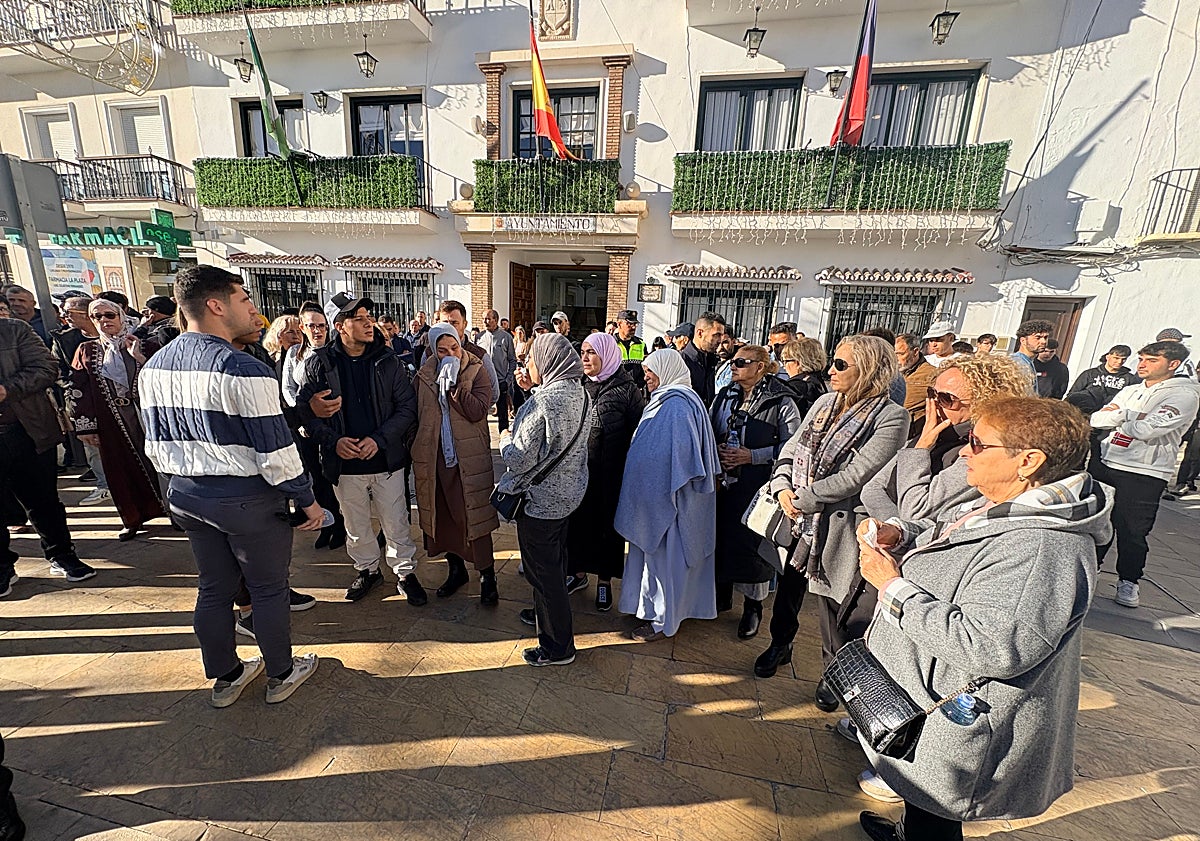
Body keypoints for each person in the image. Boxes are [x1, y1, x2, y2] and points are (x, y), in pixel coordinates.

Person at [854, 397, 1109, 841]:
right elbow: (955, 534)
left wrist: (892, 587)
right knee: (926, 807)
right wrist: (903, 533)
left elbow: (992, 646)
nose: (965, 452)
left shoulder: (1041, 548)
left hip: (960, 717)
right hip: (932, 704)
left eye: (977, 442)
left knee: (937, 819)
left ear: (1028, 461)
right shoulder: (1014, 503)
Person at [139, 265, 321, 707]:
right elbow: (276, 450)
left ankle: (227, 676)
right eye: (245, 300)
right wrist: (307, 501)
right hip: (245, 499)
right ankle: (280, 673)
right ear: (216, 305)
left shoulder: (153, 366)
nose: (255, 310)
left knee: (214, 588)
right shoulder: (243, 367)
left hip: (186, 493)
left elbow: (153, 441)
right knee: (268, 588)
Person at [756, 335, 910, 710]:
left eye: (841, 365)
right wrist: (781, 488)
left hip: (837, 526)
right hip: (798, 520)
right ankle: (781, 644)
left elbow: (859, 473)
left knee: (834, 608)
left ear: (869, 370)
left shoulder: (892, 416)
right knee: (789, 587)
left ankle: (834, 673)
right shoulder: (825, 402)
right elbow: (792, 448)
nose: (830, 370)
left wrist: (805, 498)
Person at [297, 297, 422, 605]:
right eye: (359, 318)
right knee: (355, 524)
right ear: (340, 326)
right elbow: (306, 412)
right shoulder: (319, 363)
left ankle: (404, 573)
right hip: (344, 463)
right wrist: (334, 441)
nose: (369, 323)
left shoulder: (387, 360)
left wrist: (379, 439)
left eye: (368, 317)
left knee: (396, 521)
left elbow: (407, 408)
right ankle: (367, 570)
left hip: (386, 460)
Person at [498, 333, 591, 665]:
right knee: (554, 564)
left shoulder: (543, 402)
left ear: (548, 362)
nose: (528, 366)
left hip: (540, 502)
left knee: (543, 572)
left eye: (531, 360)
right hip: (568, 495)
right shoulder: (580, 393)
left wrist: (505, 438)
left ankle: (557, 646)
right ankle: (544, 614)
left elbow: (519, 459)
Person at [615, 349, 720, 641]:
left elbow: (679, 462)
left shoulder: (676, 407)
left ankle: (663, 620)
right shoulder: (675, 399)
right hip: (663, 500)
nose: (645, 376)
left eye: (651, 371)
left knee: (665, 564)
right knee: (662, 563)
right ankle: (654, 610)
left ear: (667, 369)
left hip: (671, 504)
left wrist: (656, 491)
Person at [862, 353, 1033, 526]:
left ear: (983, 403)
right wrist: (895, 530)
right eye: (931, 394)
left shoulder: (978, 450)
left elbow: (916, 511)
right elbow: (871, 490)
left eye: (946, 399)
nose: (933, 404)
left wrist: (919, 451)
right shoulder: (932, 433)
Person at [1089, 341, 1199, 608]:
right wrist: (1132, 416)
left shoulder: (1184, 394)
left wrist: (1123, 415)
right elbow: (1096, 419)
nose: (1142, 365)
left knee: (1132, 530)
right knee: (1096, 523)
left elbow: (1148, 430)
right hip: (1107, 461)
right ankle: (1092, 570)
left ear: (1172, 365)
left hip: (1145, 471)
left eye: (1151, 360)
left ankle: (1129, 580)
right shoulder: (1130, 389)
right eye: (1142, 359)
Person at [709, 345, 802, 638]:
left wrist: (752, 456)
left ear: (761, 366)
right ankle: (721, 597)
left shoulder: (783, 401)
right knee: (723, 539)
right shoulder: (726, 395)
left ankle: (753, 607)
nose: (733, 367)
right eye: (732, 362)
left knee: (753, 547)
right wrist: (719, 449)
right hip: (727, 483)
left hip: (759, 485)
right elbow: (710, 428)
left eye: (741, 362)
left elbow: (793, 447)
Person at [1, 316, 97, 596]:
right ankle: (3, 568)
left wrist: (7, 389)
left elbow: (47, 368)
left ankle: (61, 555)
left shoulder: (14, 330)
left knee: (42, 500)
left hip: (25, 430)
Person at [411, 324, 500, 606]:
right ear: (433, 351)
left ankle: (487, 576)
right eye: (442, 350)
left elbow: (477, 410)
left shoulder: (476, 370)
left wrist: (454, 389)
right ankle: (456, 569)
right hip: (435, 458)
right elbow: (414, 414)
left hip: (469, 459)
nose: (450, 354)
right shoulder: (424, 375)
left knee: (474, 517)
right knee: (444, 516)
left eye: (455, 348)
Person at [68, 298, 166, 541]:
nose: (103, 321)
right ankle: (133, 518)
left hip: (147, 415)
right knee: (119, 466)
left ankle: (175, 512)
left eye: (109, 315)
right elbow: (78, 389)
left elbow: (164, 378)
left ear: (122, 317)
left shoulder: (147, 345)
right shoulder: (87, 351)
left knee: (161, 462)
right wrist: (85, 427)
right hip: (111, 418)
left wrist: (140, 358)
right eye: (97, 317)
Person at [565, 332, 645, 611]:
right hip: (580, 471)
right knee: (578, 524)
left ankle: (604, 581)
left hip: (611, 474)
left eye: (591, 353)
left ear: (607, 355)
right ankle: (577, 574)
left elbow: (639, 433)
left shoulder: (627, 389)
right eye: (583, 352)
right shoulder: (579, 385)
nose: (585, 358)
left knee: (606, 529)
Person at [435, 301, 500, 405]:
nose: (449, 328)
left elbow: (494, 394)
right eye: (444, 323)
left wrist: (469, 411)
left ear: (464, 324)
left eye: (454, 323)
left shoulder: (479, 355)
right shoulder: (430, 353)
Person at [476, 309, 517, 434]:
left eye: (488, 318)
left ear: (496, 320)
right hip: (483, 382)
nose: (485, 321)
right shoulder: (479, 337)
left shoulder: (506, 337)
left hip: (500, 382)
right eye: (484, 318)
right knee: (480, 412)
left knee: (502, 413)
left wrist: (508, 380)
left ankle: (503, 438)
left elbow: (512, 360)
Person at [1067, 345, 1140, 408]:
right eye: (1116, 358)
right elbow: (1072, 395)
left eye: (1123, 359)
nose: (1119, 362)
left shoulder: (1130, 379)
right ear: (1108, 357)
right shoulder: (1089, 374)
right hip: (1084, 413)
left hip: (1108, 417)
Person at [680, 312, 727, 406]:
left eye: (721, 335)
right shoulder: (682, 361)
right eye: (716, 335)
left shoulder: (711, 360)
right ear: (700, 333)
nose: (720, 340)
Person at [894, 333, 937, 429]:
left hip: (911, 429)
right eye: (894, 354)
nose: (896, 359)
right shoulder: (891, 371)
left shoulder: (931, 374)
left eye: (900, 354)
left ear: (915, 351)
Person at [614, 309, 647, 388]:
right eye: (629, 323)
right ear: (619, 324)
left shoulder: (641, 344)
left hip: (636, 391)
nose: (633, 327)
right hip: (616, 391)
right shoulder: (611, 344)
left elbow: (645, 370)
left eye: (635, 324)